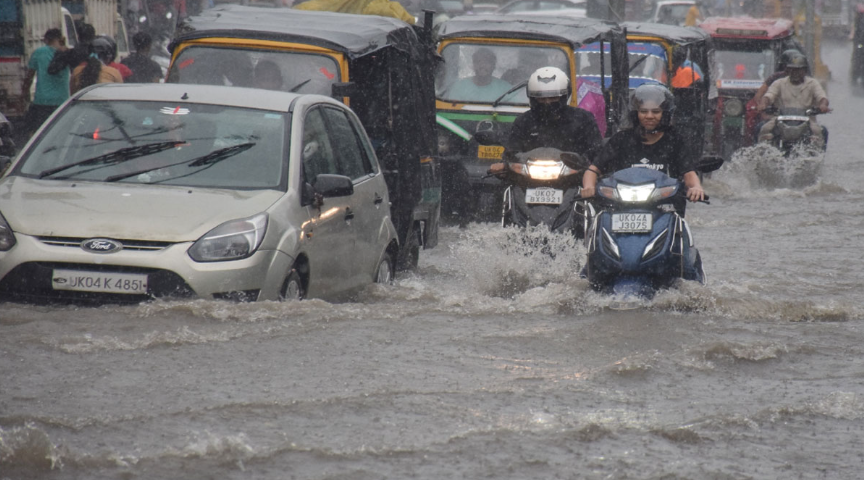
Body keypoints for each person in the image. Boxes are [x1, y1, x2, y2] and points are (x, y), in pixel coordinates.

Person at [582, 83, 705, 204]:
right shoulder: (621, 140)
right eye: (644, 111)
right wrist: (589, 187)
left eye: (656, 112)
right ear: (636, 114)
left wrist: (696, 187)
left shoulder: (675, 141)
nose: (649, 116)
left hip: (665, 206)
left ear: (665, 114)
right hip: (621, 206)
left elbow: (688, 173)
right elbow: (593, 170)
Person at [506, 66, 602, 161]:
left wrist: (582, 161)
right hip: (527, 174)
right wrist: (506, 164)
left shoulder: (583, 119)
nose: (547, 102)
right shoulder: (523, 121)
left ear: (564, 97)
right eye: (541, 98)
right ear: (533, 98)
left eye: (553, 98)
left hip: (575, 174)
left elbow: (595, 151)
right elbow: (512, 152)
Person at [757, 52, 829, 147]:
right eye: (792, 70)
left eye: (799, 70)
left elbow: (822, 97)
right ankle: (759, 154)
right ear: (787, 70)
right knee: (761, 129)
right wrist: (763, 104)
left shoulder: (813, 83)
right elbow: (769, 96)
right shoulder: (779, 83)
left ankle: (817, 157)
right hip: (779, 121)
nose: (795, 73)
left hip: (807, 121)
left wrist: (823, 105)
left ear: (805, 70)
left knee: (821, 132)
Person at [22, 28, 70, 137]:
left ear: (46, 40)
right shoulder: (67, 53)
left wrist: (25, 94)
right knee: (60, 133)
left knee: (38, 134)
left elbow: (29, 77)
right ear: (60, 39)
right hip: (61, 101)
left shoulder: (38, 53)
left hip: (42, 102)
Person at [445, 48, 512, 102]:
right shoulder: (459, 87)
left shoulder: (505, 88)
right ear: (473, 65)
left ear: (493, 66)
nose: (482, 65)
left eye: (487, 62)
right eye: (479, 61)